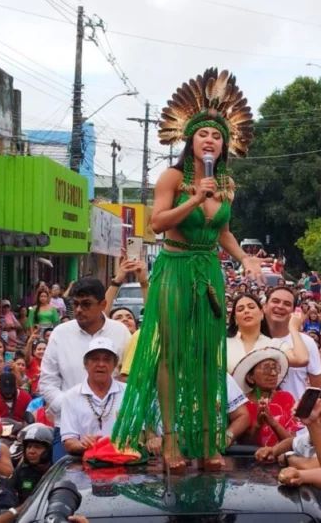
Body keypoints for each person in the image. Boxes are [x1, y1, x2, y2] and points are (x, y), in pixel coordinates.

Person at [112, 68, 262, 473]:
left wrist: (244, 257)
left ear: (224, 144)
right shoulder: (173, 177)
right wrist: (195, 199)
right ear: (190, 140)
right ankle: (173, 443)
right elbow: (156, 224)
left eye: (217, 135)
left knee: (205, 358)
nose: (210, 139)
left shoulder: (226, 184)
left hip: (209, 270)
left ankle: (210, 441)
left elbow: (224, 233)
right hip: (175, 269)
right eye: (203, 134)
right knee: (173, 356)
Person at [39, 277, 130, 422]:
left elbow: (128, 378)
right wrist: (71, 408)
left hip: (113, 422)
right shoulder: (60, 333)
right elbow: (47, 382)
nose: (79, 310)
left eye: (86, 304)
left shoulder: (120, 332)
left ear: (102, 304)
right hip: (68, 426)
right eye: (75, 304)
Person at [59, 338, 125, 455]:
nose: (101, 364)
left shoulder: (129, 393)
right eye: (95, 359)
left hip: (123, 461)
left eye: (107, 360)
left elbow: (140, 433)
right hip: (86, 463)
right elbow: (69, 441)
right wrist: (82, 444)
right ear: (85, 364)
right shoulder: (71, 396)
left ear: (114, 365)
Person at [9, 424, 55, 504]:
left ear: (48, 450)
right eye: (29, 447)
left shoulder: (56, 471)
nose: (31, 451)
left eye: (37, 447)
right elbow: (6, 491)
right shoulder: (22, 470)